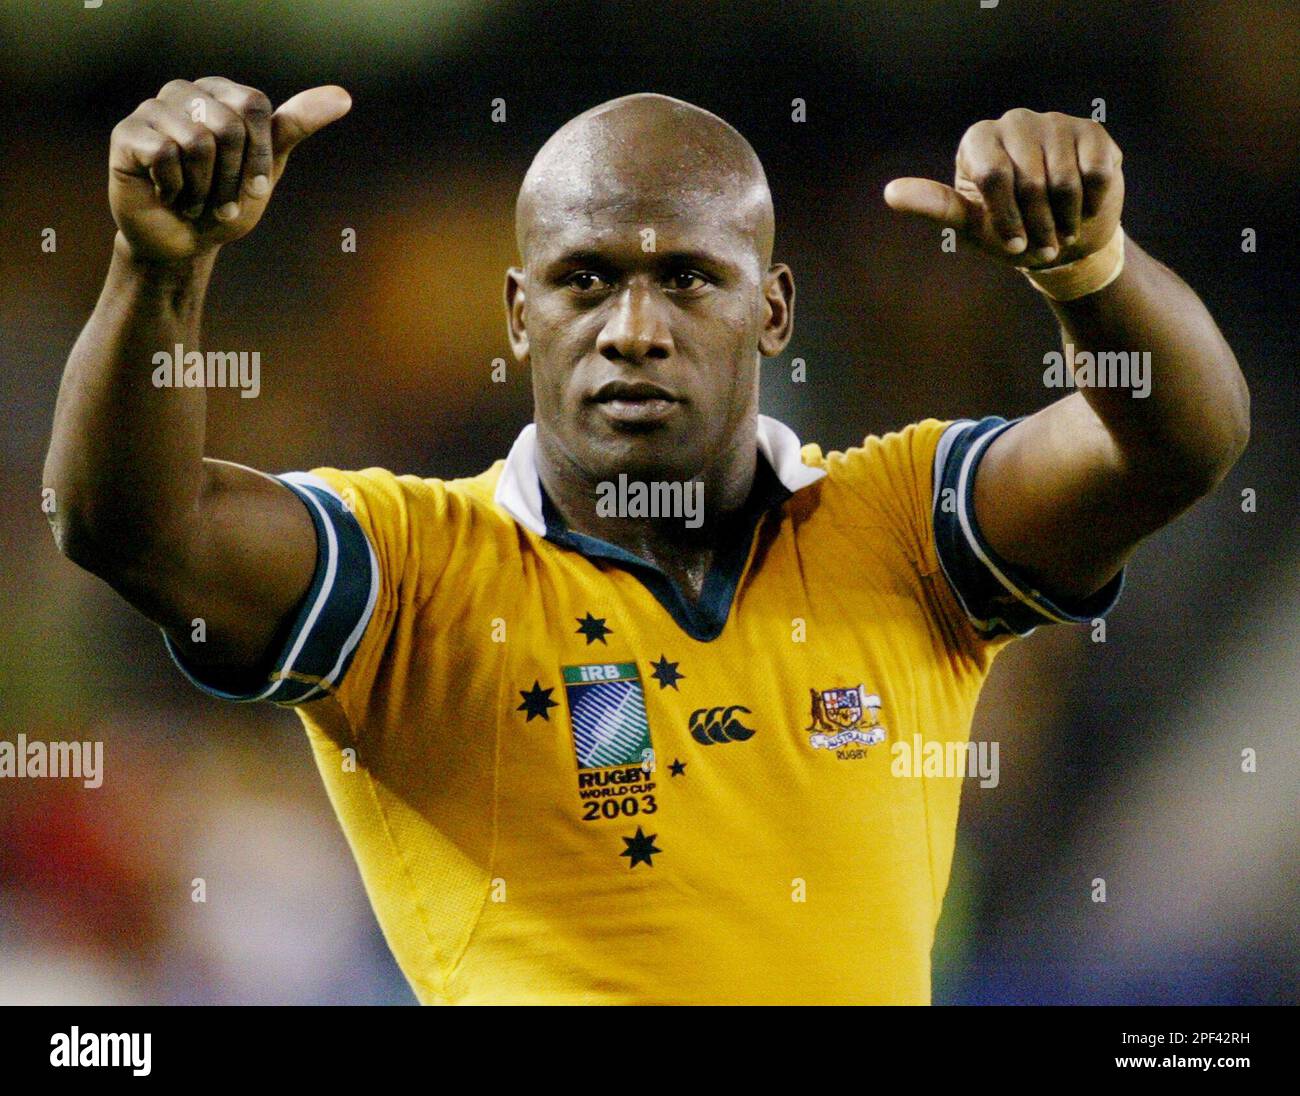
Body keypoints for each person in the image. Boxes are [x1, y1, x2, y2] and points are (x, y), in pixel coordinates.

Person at [44, 79, 1248, 1004]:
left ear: (770, 308)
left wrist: (1091, 270)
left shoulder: (903, 528)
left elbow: (1177, 442)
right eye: (583, 280)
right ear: (521, 316)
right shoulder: (410, 569)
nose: (633, 328)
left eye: (686, 277)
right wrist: (161, 267)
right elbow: (129, 526)